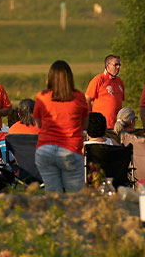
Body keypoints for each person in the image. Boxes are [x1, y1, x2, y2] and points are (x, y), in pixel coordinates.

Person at [33, 60, 90, 193]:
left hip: (45, 149)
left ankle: (55, 213)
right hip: (70, 150)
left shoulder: (42, 97)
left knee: (53, 194)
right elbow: (85, 125)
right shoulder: (79, 97)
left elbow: (39, 124)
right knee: (75, 196)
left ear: (50, 78)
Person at [85, 55, 124, 131]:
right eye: (116, 65)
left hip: (116, 127)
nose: (118, 67)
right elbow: (87, 100)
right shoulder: (99, 79)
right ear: (107, 65)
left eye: (119, 65)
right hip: (101, 126)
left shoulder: (119, 81)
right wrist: (91, 118)